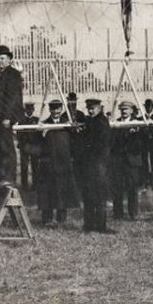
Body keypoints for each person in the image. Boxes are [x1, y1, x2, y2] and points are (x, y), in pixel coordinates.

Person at [0, 45, 25, 188]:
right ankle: (1, 176)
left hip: (5, 119)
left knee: (7, 147)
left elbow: (12, 97)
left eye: (2, 58)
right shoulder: (0, 76)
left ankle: (9, 176)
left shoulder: (12, 74)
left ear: (9, 60)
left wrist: (8, 117)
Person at [35, 99, 80, 227]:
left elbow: (74, 142)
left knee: (62, 190)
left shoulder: (67, 125)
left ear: (61, 110)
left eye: (58, 109)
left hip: (63, 163)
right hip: (48, 163)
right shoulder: (43, 125)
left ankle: (62, 218)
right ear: (50, 110)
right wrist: (41, 133)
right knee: (47, 191)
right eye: (53, 109)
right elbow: (37, 144)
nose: (55, 111)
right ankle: (47, 219)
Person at [79, 98, 115, 233]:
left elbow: (100, 144)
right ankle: (88, 224)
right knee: (88, 194)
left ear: (100, 107)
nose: (90, 110)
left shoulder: (102, 122)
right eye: (88, 108)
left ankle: (100, 226)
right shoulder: (90, 121)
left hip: (99, 163)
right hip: (90, 163)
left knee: (99, 195)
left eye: (93, 108)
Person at [110, 101, 142, 220]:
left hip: (132, 160)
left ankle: (133, 213)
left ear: (132, 110)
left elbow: (141, 142)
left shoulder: (138, 123)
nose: (124, 111)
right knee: (117, 187)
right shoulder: (116, 123)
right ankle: (118, 214)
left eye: (126, 109)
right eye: (122, 109)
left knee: (132, 187)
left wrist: (134, 134)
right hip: (119, 160)